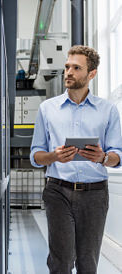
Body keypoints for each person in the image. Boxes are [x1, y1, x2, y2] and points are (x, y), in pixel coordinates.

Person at [30, 45, 122, 273]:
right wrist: (54, 156)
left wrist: (102, 158)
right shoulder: (47, 109)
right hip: (58, 191)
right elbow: (36, 155)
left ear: (91, 74)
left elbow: (118, 156)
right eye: (67, 67)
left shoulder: (108, 110)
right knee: (61, 261)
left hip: (95, 194)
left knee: (88, 262)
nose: (68, 72)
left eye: (76, 68)